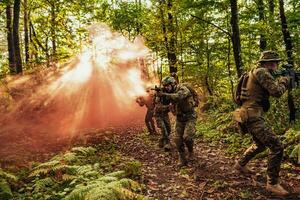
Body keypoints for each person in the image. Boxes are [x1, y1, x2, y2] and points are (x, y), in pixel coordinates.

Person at [233, 50, 290, 196]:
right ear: (269, 63)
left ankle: (240, 164)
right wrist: (284, 81)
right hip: (252, 116)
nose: (276, 65)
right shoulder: (262, 72)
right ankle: (272, 183)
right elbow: (277, 92)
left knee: (260, 144)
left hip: (247, 115)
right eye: (275, 62)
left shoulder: (252, 72)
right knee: (277, 146)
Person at [158, 76, 198, 167]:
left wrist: (164, 94)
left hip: (190, 117)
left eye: (167, 86)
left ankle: (191, 152)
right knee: (177, 139)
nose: (166, 88)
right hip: (180, 118)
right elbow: (164, 104)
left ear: (173, 84)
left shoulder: (182, 89)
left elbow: (179, 96)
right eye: (165, 86)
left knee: (187, 137)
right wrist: (160, 95)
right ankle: (182, 157)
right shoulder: (169, 92)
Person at [153, 85, 172, 151]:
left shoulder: (169, 93)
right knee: (164, 129)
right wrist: (168, 106)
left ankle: (161, 141)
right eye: (166, 86)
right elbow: (159, 107)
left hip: (165, 114)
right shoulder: (158, 96)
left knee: (169, 129)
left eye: (168, 86)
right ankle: (167, 144)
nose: (167, 87)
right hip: (158, 115)